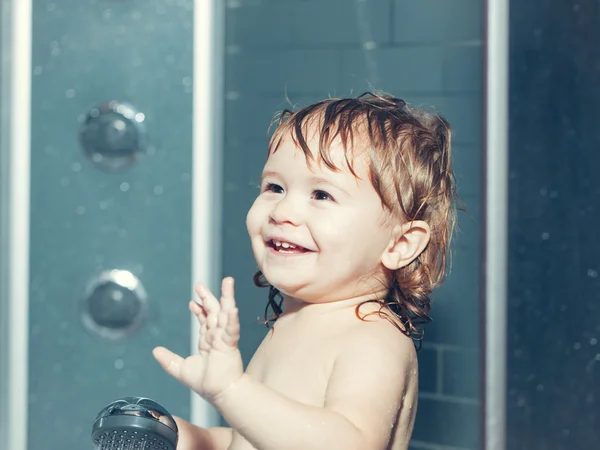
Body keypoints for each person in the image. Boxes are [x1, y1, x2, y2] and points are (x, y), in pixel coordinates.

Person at [153, 92, 457, 450]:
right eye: (275, 187)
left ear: (399, 245)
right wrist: (194, 440)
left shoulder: (373, 338)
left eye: (321, 195)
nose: (283, 210)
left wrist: (231, 390)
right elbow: (259, 440)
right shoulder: (292, 323)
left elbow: (346, 443)